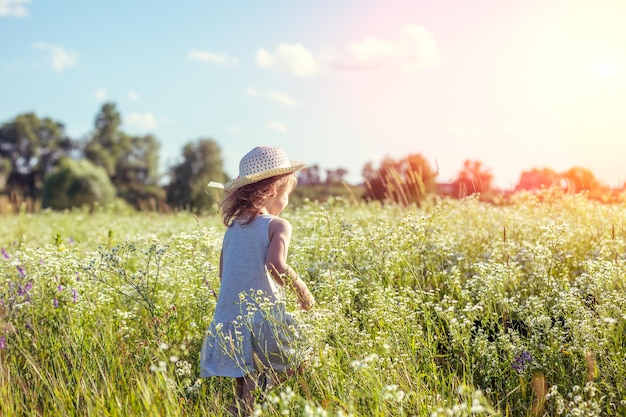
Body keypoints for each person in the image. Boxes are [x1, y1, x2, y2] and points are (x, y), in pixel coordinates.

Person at [200, 146, 315, 415]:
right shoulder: (277, 225)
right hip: (264, 317)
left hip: (230, 318)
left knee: (243, 390)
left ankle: (245, 403)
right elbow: (276, 266)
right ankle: (265, 387)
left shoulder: (232, 229)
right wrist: (301, 289)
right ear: (275, 190)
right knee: (301, 358)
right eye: (287, 194)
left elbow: (223, 273)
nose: (286, 200)